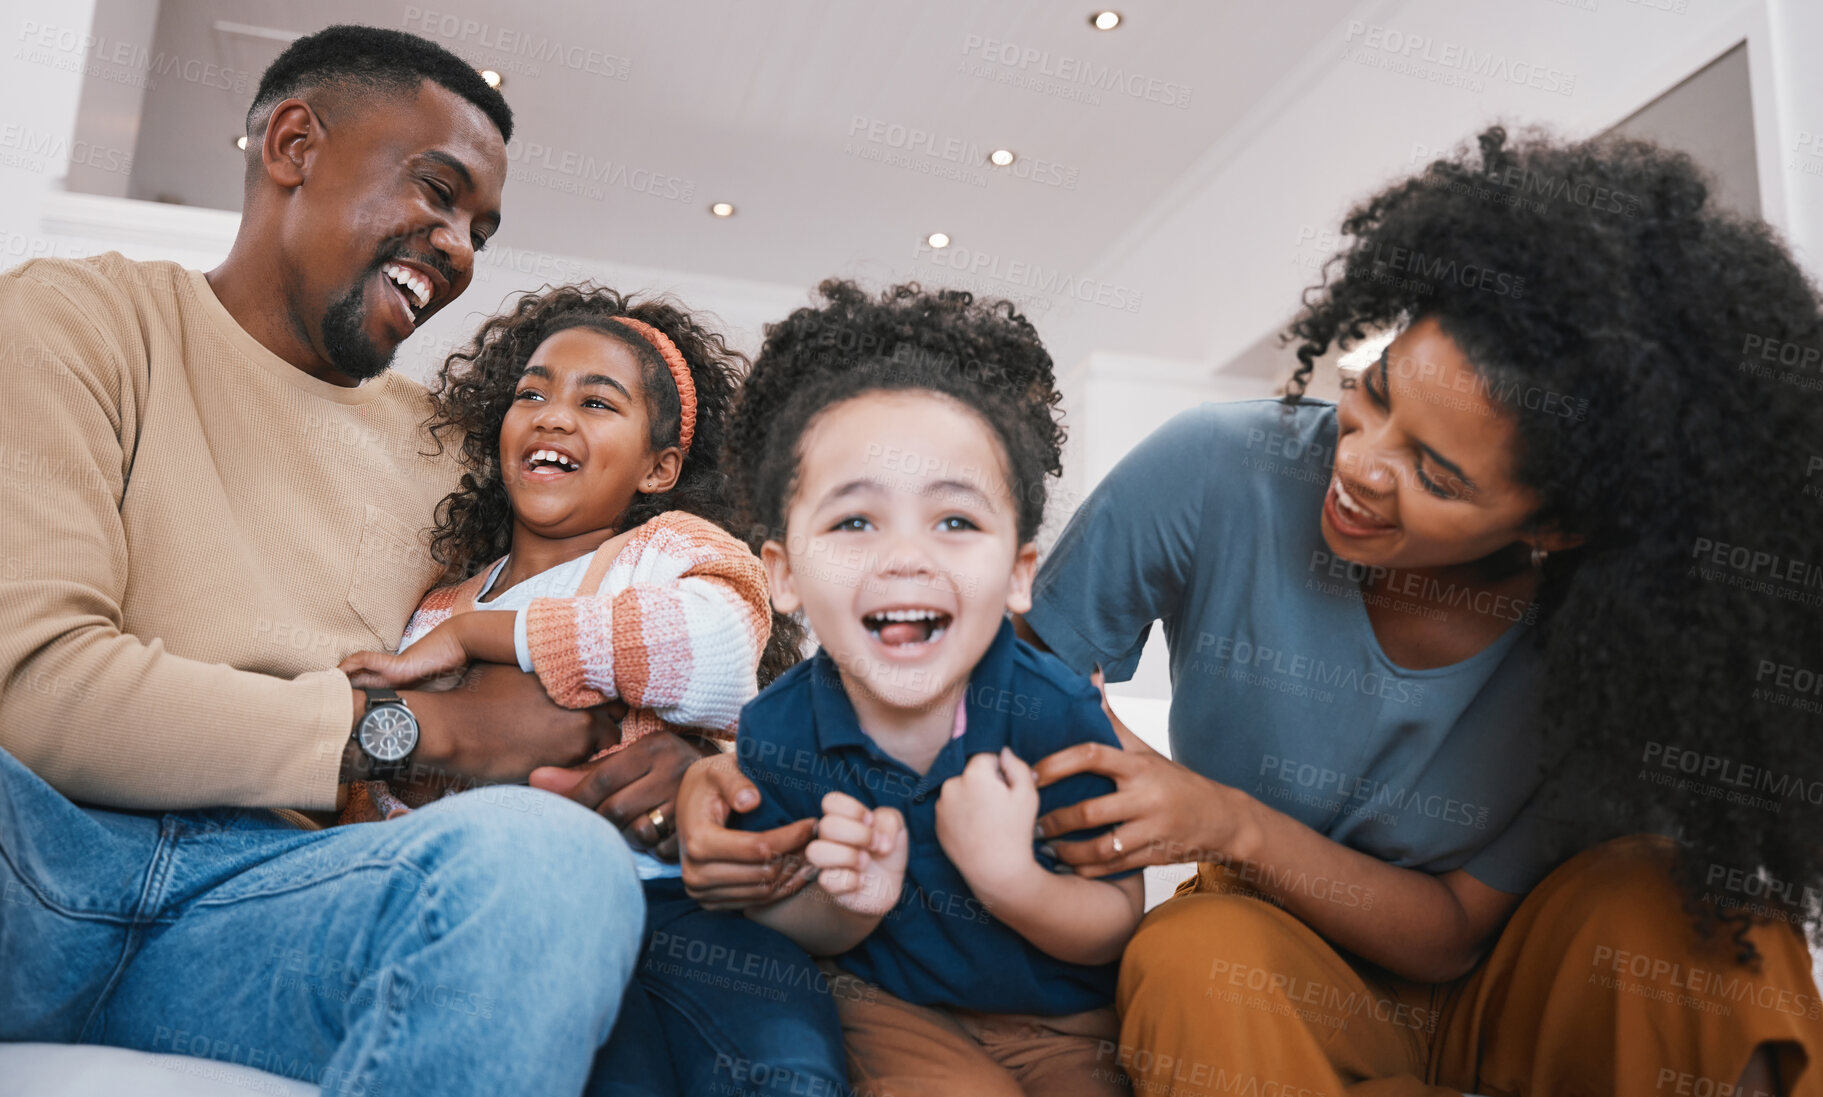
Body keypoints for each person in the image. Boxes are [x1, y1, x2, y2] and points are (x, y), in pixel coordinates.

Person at [1014, 127, 1823, 1094]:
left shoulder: (1612, 652)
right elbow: (1018, 695)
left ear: (1555, 528)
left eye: (1433, 473)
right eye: (1377, 390)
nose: (1359, 463)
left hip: (1513, 986)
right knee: (1194, 957)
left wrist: (1229, 820)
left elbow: (1448, 935)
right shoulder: (1213, 469)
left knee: (1708, 923)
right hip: (1270, 974)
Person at [0, 26, 650, 1096]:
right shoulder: (78, 320)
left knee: (551, 867)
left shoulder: (455, 449)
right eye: (437, 192)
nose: (457, 247)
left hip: (273, 901)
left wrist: (664, 754)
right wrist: (408, 728)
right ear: (294, 143)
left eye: (479, 229)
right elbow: (35, 688)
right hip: (39, 849)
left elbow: (562, 652)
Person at [708, 280, 1139, 1095]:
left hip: (1067, 1021)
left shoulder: (1055, 709)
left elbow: (1116, 921)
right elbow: (774, 911)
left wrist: (1010, 879)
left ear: (1018, 576)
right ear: (785, 573)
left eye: (954, 520)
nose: (905, 557)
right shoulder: (777, 729)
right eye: (854, 521)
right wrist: (850, 908)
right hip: (892, 1008)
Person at [335, 284, 776, 831]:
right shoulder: (438, 605)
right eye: (531, 395)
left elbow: (717, 652)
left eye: (596, 403)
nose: (553, 418)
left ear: (658, 469)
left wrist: (477, 637)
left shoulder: (665, 548)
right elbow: (376, 786)